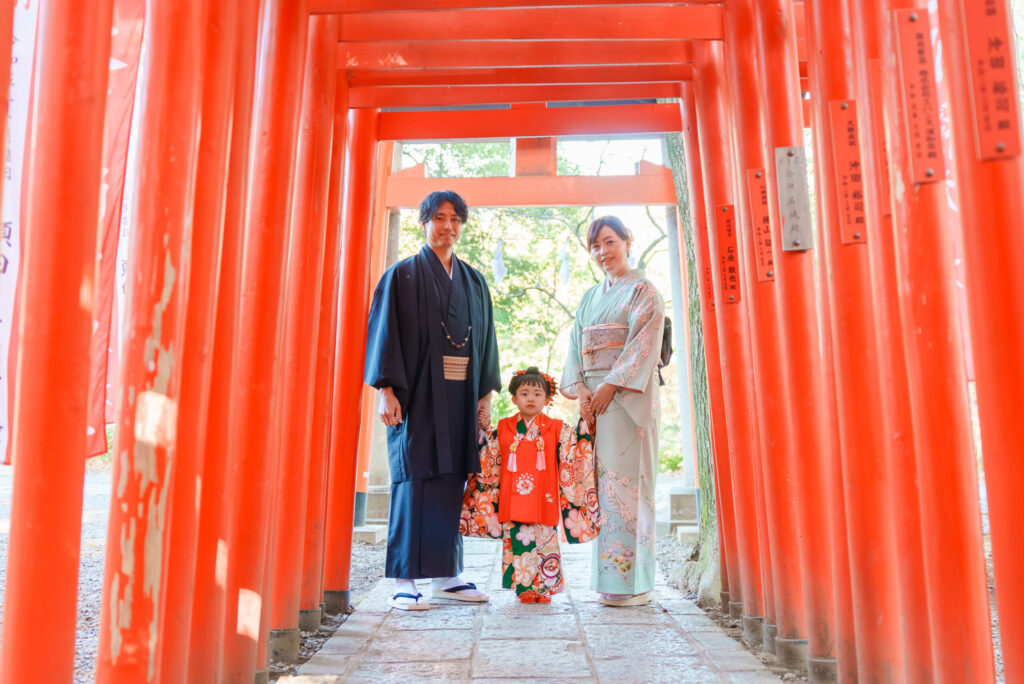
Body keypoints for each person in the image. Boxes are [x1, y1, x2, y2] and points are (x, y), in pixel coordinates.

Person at [364, 190, 501, 611]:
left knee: (452, 480)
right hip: (417, 395)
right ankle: (404, 577)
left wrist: (485, 396)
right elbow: (384, 334)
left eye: (456, 219)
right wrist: (387, 391)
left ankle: (446, 574)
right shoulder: (402, 276)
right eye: (440, 217)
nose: (448, 226)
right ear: (424, 222)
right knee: (414, 478)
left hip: (460, 396)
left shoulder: (474, 280)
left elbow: (487, 340)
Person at [561, 215, 665, 607]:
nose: (603, 252)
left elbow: (643, 345)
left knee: (631, 490)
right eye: (596, 246)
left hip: (628, 402)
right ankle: (611, 580)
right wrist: (585, 393)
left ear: (627, 240)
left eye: (609, 242)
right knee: (605, 492)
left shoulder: (645, 292)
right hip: (598, 404)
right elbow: (575, 349)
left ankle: (636, 584)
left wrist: (608, 386)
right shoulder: (590, 296)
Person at [460, 367, 600, 603]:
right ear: (514, 398)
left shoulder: (555, 427)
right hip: (513, 495)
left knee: (545, 538)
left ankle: (544, 589)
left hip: (543, 495)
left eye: (537, 394)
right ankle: (524, 588)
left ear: (547, 399)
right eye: (524, 393)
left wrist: (584, 424)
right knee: (518, 538)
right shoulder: (504, 426)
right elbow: (490, 454)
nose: (531, 398)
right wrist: (483, 429)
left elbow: (573, 447)